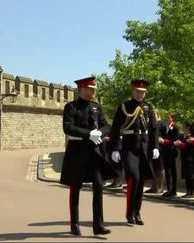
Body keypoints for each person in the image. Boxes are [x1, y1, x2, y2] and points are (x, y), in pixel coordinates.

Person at [60, 76, 116, 235]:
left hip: (94, 154)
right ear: (81, 89)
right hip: (77, 153)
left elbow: (107, 125)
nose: (93, 91)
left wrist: (99, 132)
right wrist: (88, 133)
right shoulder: (71, 107)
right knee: (75, 188)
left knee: (98, 186)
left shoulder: (96, 107)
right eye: (90, 89)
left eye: (94, 89)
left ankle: (98, 225)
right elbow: (68, 127)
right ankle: (74, 224)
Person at [110, 79, 159, 225]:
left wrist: (155, 146)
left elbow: (153, 129)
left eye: (143, 92)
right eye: (138, 91)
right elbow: (116, 128)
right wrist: (115, 148)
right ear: (133, 91)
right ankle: (129, 213)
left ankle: (137, 213)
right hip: (129, 147)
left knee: (141, 181)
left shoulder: (148, 108)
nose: (140, 94)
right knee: (134, 179)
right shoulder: (125, 106)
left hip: (143, 148)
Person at [144, 109, 165, 193]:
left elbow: (165, 135)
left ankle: (160, 187)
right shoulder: (150, 124)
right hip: (151, 148)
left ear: (157, 115)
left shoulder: (161, 124)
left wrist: (162, 139)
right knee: (154, 168)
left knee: (160, 168)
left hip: (160, 148)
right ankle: (154, 187)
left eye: (154, 115)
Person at [174, 120, 194, 198]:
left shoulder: (192, 135)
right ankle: (188, 192)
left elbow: (190, 146)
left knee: (190, 176)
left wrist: (182, 144)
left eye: (185, 126)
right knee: (186, 176)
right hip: (184, 156)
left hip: (190, 157)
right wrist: (179, 144)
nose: (184, 128)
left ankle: (191, 192)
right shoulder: (183, 135)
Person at [160, 113, 179, 197]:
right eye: (166, 118)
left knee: (172, 171)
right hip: (165, 151)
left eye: (169, 118)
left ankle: (173, 190)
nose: (167, 120)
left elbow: (176, 139)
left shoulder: (175, 128)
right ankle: (168, 189)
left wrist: (166, 141)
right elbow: (159, 134)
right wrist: (160, 139)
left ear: (172, 119)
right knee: (167, 171)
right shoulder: (164, 128)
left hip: (171, 151)